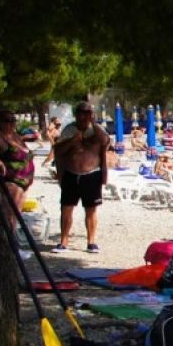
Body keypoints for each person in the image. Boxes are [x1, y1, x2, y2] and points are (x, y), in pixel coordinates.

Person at [53, 102, 109, 252]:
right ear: (76, 114)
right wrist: (73, 140)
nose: (84, 116)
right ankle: (64, 241)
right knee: (66, 209)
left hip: (91, 174)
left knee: (91, 210)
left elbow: (105, 144)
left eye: (87, 113)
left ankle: (91, 241)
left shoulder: (97, 131)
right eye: (81, 113)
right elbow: (58, 151)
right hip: (71, 173)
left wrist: (104, 175)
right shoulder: (69, 130)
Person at [0, 111, 35, 216]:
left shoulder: (15, 136)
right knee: (10, 217)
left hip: (23, 183)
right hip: (12, 183)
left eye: (13, 120)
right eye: (7, 120)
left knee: (15, 217)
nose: (11, 123)